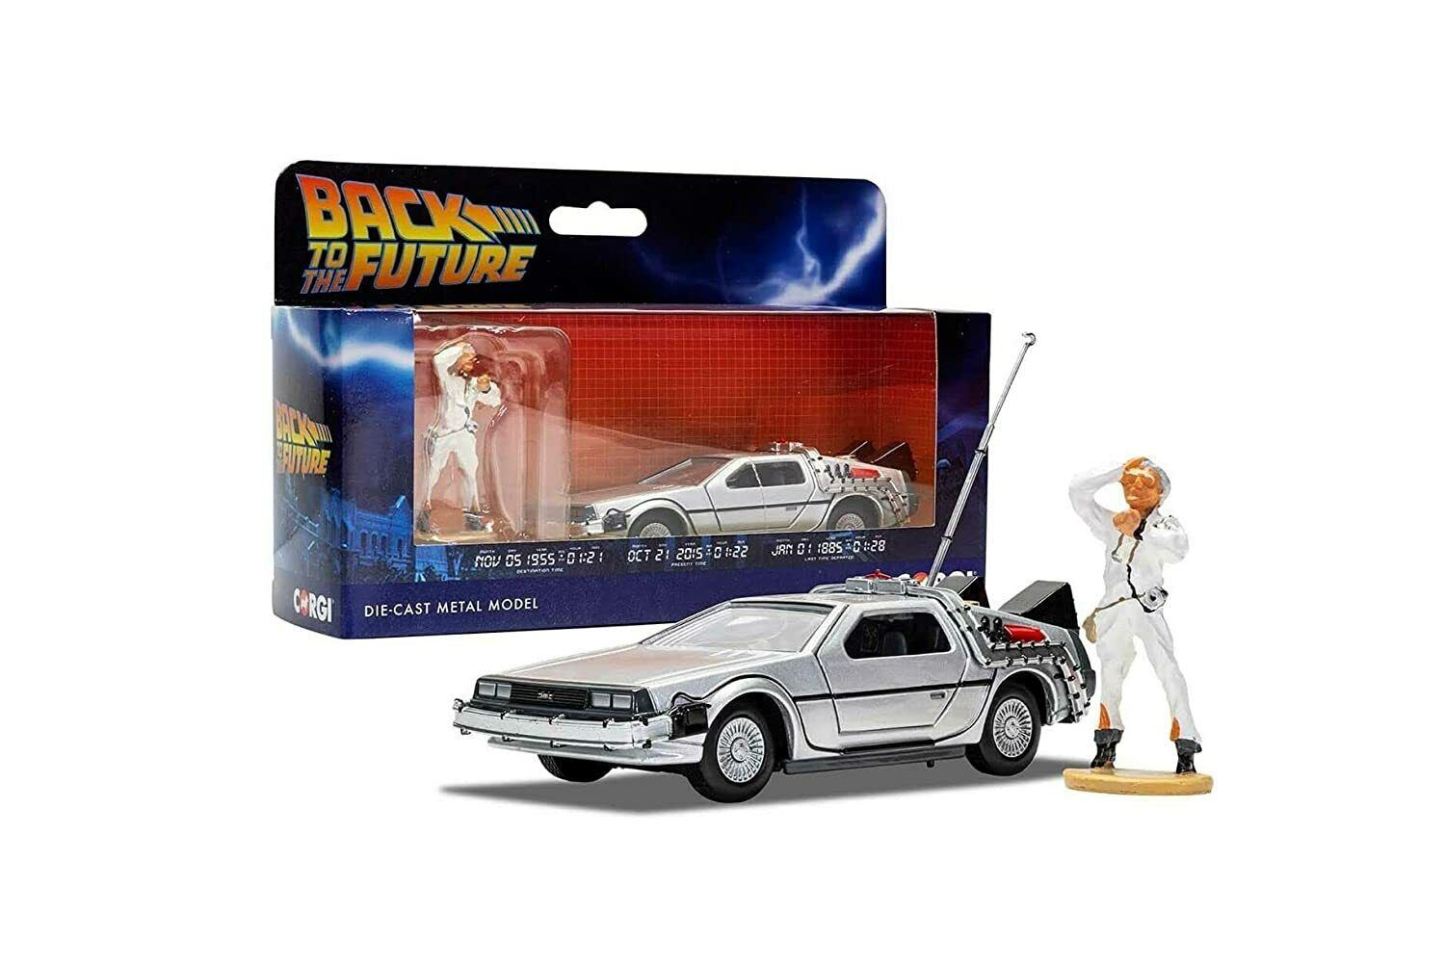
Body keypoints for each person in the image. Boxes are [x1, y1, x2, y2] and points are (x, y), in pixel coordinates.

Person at [1069, 457, 1201, 774]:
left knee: (1167, 669)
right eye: (1130, 482)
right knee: (1111, 675)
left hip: (1146, 606)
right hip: (1114, 608)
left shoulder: (1164, 526)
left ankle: (1186, 743)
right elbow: (1077, 490)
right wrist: (1118, 470)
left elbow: (1178, 550)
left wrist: (1139, 530)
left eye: (1145, 482)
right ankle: (1106, 743)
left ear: (1161, 493)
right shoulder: (1110, 523)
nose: (1135, 487)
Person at [417, 339, 501, 535]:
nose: (471, 363)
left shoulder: (474, 383)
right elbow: (438, 359)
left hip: (463, 433)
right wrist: (460, 347)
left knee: (470, 472)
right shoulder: (447, 377)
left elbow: (495, 400)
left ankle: (473, 515)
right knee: (433, 472)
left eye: (473, 359)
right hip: (444, 433)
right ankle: (423, 512)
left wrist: (485, 388)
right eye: (467, 359)